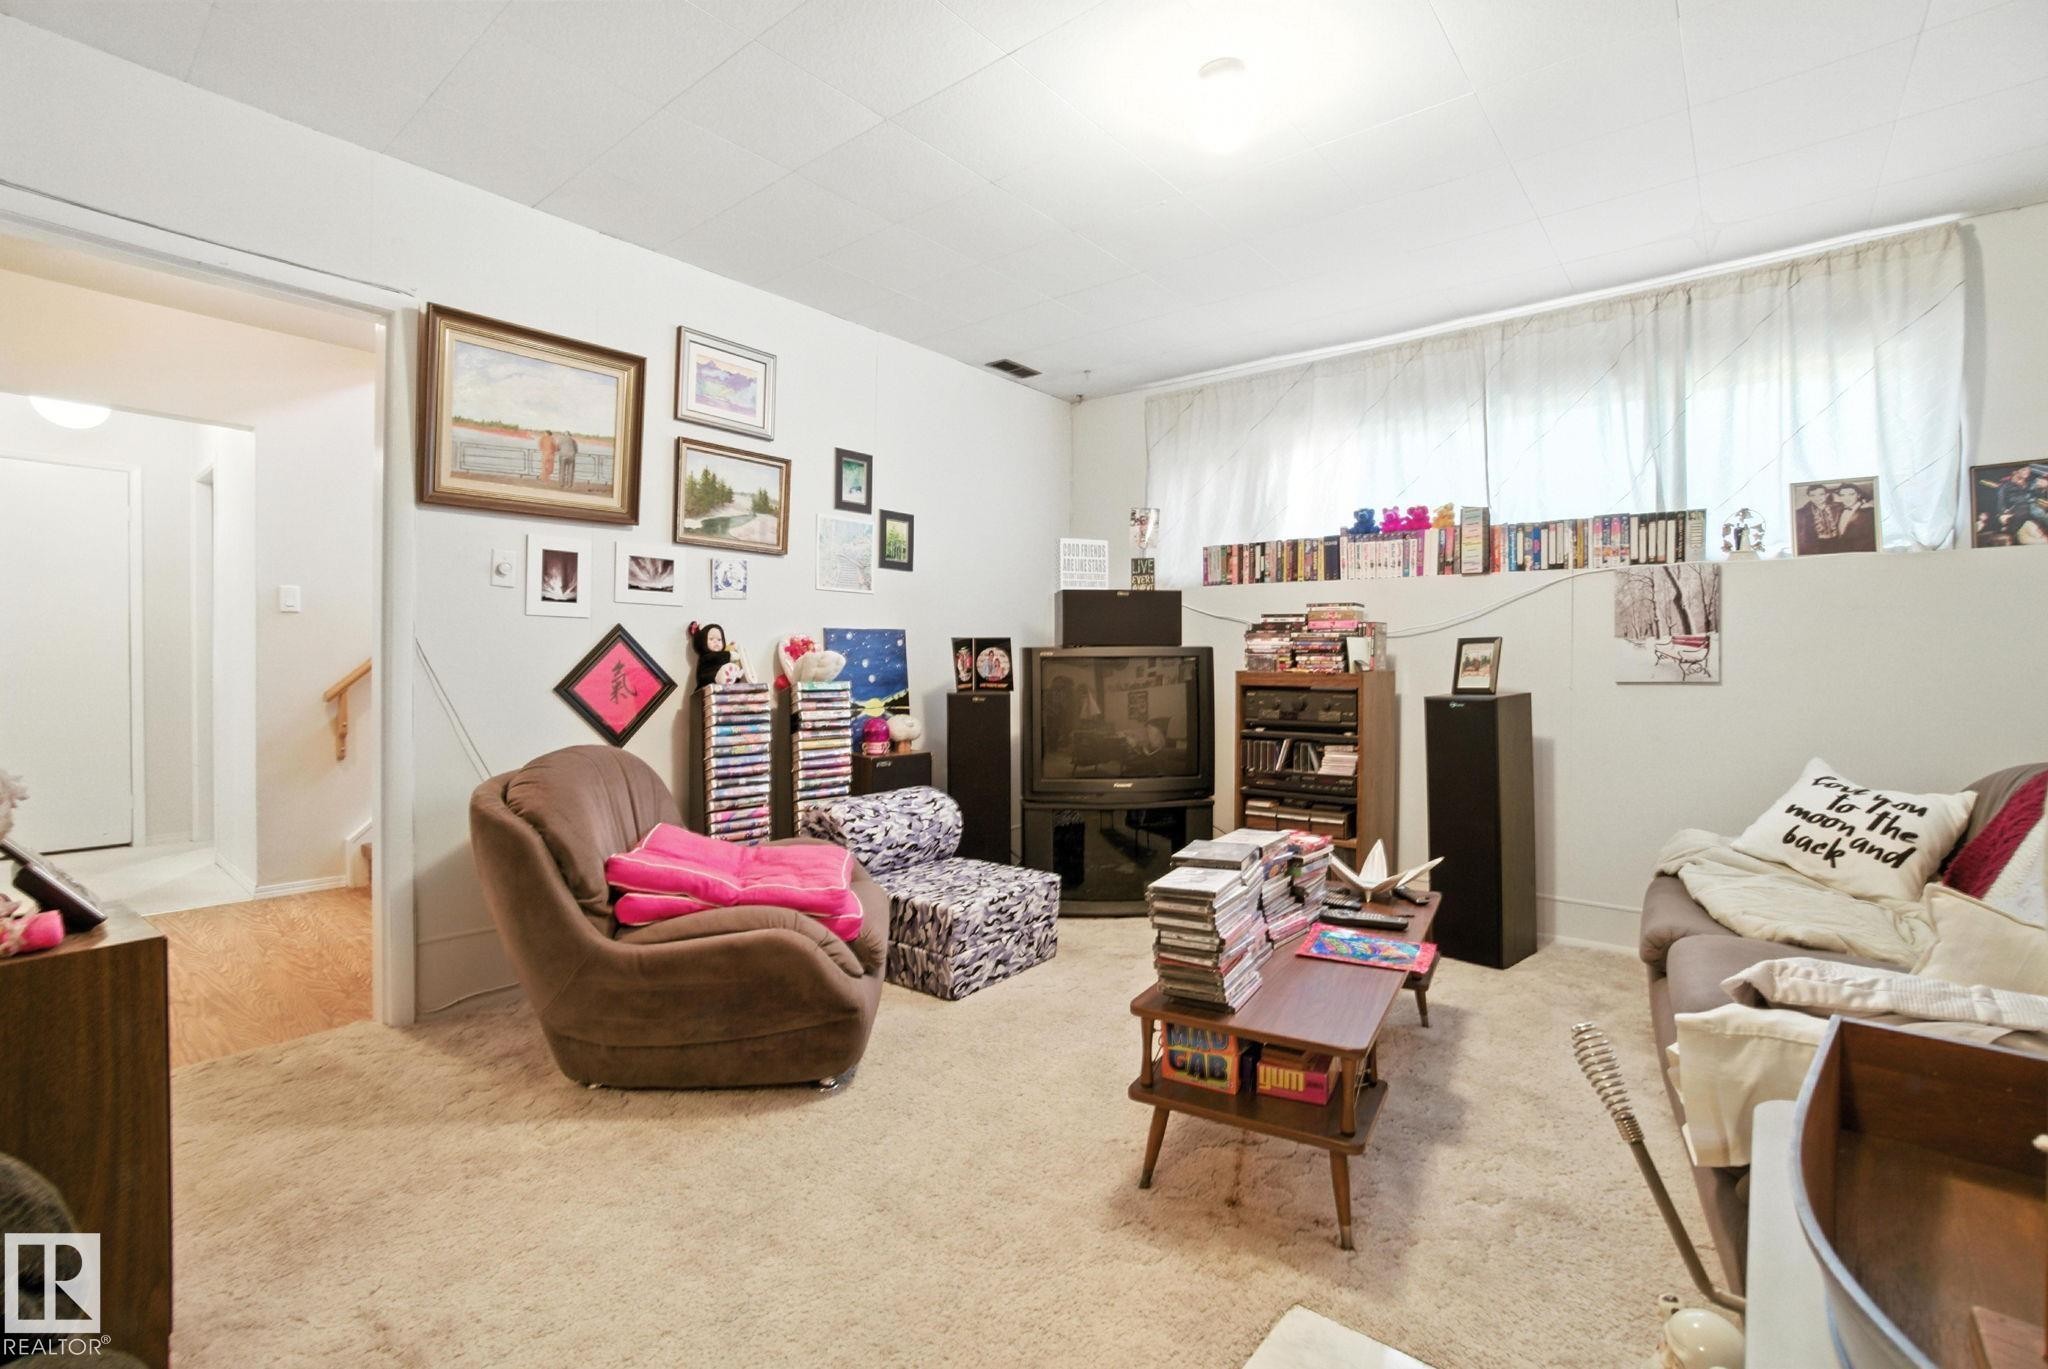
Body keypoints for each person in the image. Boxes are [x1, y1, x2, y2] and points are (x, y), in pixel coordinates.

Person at [1832, 483, 1877, 553]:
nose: (1847, 498)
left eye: (1851, 494)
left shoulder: (1869, 512)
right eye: (1843, 495)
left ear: (1858, 495)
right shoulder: (1839, 510)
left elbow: (1872, 540)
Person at [1794, 483, 1838, 554]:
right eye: (1813, 495)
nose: (1817, 498)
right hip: (1817, 545)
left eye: (1821, 494)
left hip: (1837, 542)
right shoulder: (1801, 513)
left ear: (1827, 495)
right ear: (1809, 497)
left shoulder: (1838, 507)